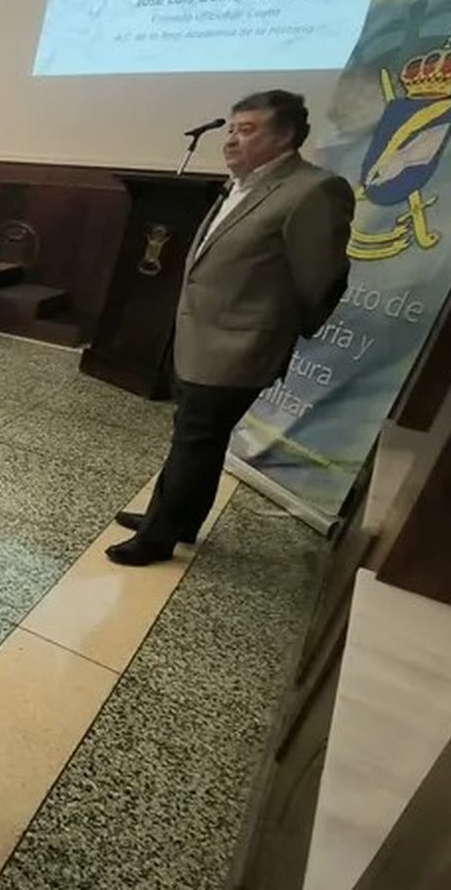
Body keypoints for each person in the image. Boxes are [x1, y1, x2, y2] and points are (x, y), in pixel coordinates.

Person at [106, 90, 354, 566]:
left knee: (195, 437)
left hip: (240, 344)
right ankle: (178, 516)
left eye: (247, 130)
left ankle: (158, 538)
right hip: (204, 338)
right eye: (231, 129)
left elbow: (321, 277)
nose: (232, 140)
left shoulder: (312, 190)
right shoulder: (241, 184)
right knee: (198, 436)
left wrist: (271, 331)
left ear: (284, 136)